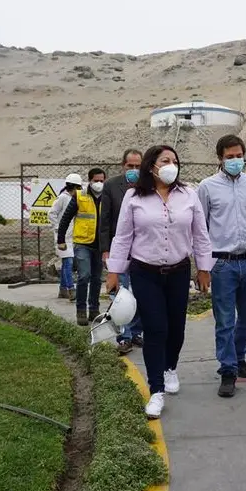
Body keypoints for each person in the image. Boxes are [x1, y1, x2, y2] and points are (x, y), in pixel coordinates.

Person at [105, 145, 213, 419]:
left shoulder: (189, 195)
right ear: (151, 165)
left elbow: (200, 235)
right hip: (145, 272)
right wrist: (114, 271)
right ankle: (156, 390)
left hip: (178, 271)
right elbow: (123, 237)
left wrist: (204, 268)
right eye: (165, 160)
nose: (171, 165)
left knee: (176, 327)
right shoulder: (134, 197)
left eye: (175, 161)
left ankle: (170, 367)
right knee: (156, 328)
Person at [197, 134, 246, 397]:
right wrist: (202, 265)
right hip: (223, 264)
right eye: (230, 157)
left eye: (239, 156)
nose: (236, 161)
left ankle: (239, 356)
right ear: (220, 159)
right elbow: (200, 228)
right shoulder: (206, 187)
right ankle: (227, 370)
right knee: (225, 320)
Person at [100, 148, 145, 354]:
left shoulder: (149, 186)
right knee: (120, 296)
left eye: (138, 166)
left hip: (142, 251)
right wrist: (106, 250)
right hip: (118, 249)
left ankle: (136, 332)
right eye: (130, 166)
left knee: (141, 295)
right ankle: (123, 337)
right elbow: (105, 220)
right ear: (123, 166)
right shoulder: (110, 186)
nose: (134, 170)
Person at [57, 168, 107, 326]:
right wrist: (60, 239)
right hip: (83, 243)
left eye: (102, 180)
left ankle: (94, 310)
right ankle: (81, 310)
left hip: (100, 245)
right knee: (84, 275)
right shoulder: (80, 196)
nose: (99, 183)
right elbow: (65, 218)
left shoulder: (107, 197)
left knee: (97, 279)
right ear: (90, 180)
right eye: (96, 180)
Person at [49, 174, 83, 300]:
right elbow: (51, 213)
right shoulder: (63, 198)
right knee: (68, 262)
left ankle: (62, 290)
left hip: (72, 237)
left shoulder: (76, 198)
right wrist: (59, 229)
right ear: (74, 187)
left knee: (66, 262)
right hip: (62, 237)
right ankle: (71, 289)